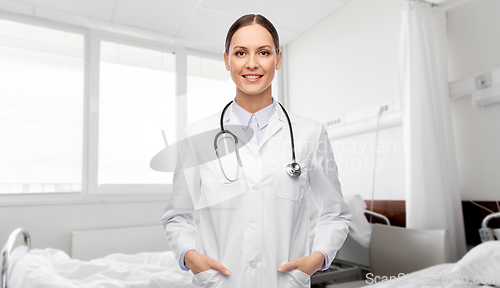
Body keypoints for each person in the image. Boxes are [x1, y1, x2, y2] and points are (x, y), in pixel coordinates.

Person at [162, 14, 351, 288]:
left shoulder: (310, 133)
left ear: (278, 59)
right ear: (227, 60)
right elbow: (177, 215)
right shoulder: (197, 135)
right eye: (241, 53)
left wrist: (319, 257)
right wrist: (191, 257)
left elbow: (335, 213)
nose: (252, 63)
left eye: (263, 52)